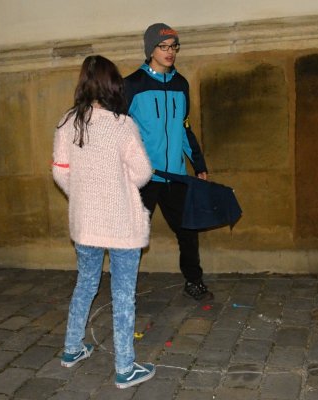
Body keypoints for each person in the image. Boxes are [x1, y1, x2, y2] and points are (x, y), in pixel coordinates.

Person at [52, 55, 155, 389]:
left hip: (85, 221)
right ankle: (125, 368)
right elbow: (142, 172)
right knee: (123, 294)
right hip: (120, 222)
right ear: (113, 84)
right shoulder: (122, 124)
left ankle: (72, 348)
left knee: (85, 283)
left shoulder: (67, 122)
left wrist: (85, 194)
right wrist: (116, 185)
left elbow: (60, 173)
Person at [124, 23, 213, 301]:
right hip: (144, 176)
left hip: (175, 175)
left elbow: (184, 128)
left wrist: (199, 165)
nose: (170, 52)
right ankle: (124, 287)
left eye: (174, 46)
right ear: (150, 50)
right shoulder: (132, 85)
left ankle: (194, 281)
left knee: (188, 230)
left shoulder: (180, 84)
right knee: (135, 235)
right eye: (163, 47)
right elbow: (119, 131)